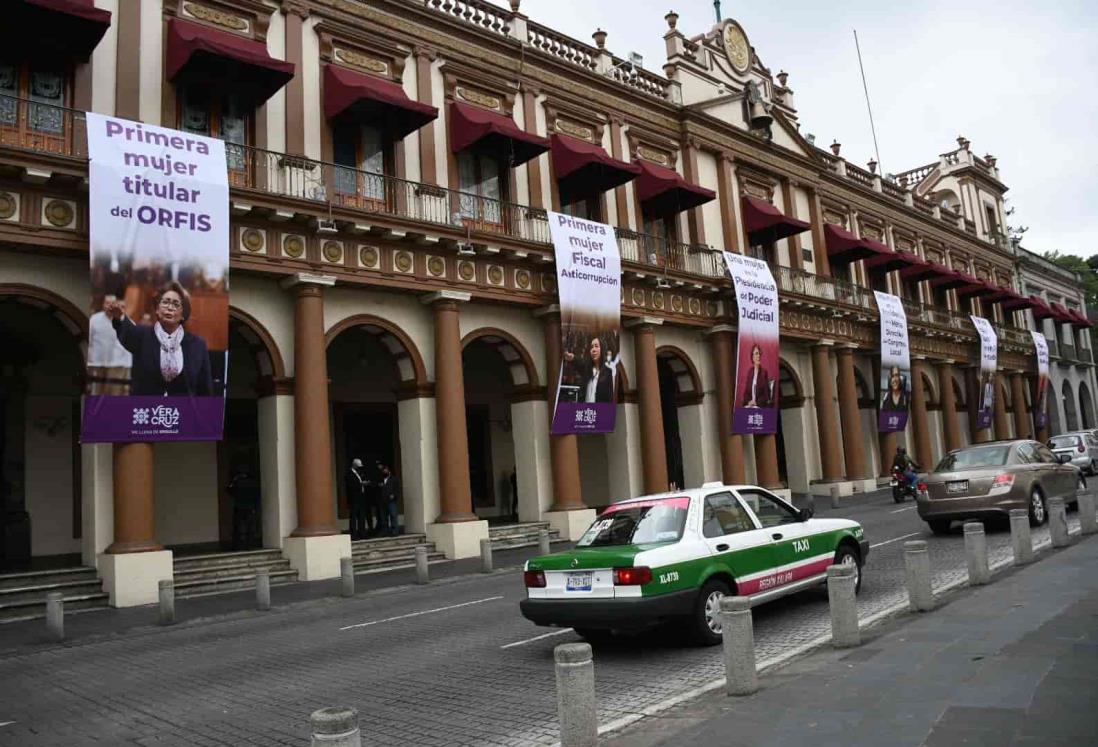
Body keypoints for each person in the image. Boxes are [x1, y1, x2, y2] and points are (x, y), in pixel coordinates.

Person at [104, 281, 213, 396]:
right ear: (157, 309)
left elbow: (205, 388)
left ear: (183, 314)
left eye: (176, 304)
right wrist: (120, 317)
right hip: (147, 409)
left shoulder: (197, 345)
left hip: (182, 412)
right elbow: (128, 332)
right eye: (165, 302)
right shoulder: (142, 336)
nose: (170, 307)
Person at [87, 293, 133, 395]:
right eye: (107, 303)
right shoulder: (94, 320)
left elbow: (132, 343)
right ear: (103, 304)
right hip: (97, 363)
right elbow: (88, 341)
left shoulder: (125, 321)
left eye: (112, 303)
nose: (109, 305)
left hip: (116, 364)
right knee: (96, 394)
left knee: (113, 394)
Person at [227, 466, 260, 550]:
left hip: (239, 507)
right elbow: (256, 495)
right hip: (250, 507)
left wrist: (233, 481)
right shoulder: (253, 482)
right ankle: (249, 546)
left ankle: (237, 546)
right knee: (250, 527)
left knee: (237, 527)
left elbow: (229, 490)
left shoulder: (237, 481)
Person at [578, 336, 614, 403]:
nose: (593, 350)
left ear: (602, 349)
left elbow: (610, 398)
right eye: (591, 347)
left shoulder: (608, 372)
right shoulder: (587, 370)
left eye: (596, 346)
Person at [739, 343, 772, 408]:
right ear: (752, 357)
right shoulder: (750, 372)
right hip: (750, 405)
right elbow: (746, 393)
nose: (758, 356)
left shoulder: (763, 372)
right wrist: (749, 402)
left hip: (760, 405)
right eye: (756, 353)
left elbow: (766, 393)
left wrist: (756, 402)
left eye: (759, 354)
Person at [345, 458, 367, 540]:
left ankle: (362, 533)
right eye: (358, 466)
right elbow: (351, 486)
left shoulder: (358, 473)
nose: (359, 468)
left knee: (361, 517)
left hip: (361, 498)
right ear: (354, 465)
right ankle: (353, 534)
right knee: (353, 517)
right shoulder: (349, 474)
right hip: (354, 499)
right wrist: (361, 484)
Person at [378, 462, 402, 537]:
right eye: (383, 470)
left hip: (391, 501)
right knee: (383, 517)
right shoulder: (380, 479)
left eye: (385, 470)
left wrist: (394, 495)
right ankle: (385, 531)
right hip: (382, 501)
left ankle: (394, 531)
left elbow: (397, 489)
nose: (384, 471)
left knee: (393, 515)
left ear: (389, 471)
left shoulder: (394, 479)